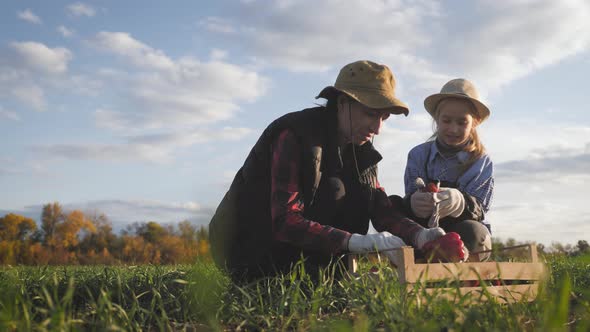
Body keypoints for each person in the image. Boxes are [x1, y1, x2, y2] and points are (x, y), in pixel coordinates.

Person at [209, 60, 466, 282]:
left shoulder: (362, 149)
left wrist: (421, 235)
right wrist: (356, 242)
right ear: (343, 103)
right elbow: (284, 221)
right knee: (335, 189)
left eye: (384, 118)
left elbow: (379, 207)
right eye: (370, 114)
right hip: (249, 251)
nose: (377, 128)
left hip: (306, 257)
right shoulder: (296, 136)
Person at [403, 78, 494, 261]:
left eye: (462, 123)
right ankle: (419, 260)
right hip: (424, 229)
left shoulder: (481, 160)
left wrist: (460, 202)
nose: (453, 129)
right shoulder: (418, 155)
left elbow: (480, 209)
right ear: (436, 118)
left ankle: (461, 268)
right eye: (446, 120)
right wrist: (414, 202)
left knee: (475, 232)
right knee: (395, 204)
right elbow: (411, 194)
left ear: (474, 122)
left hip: (463, 232)